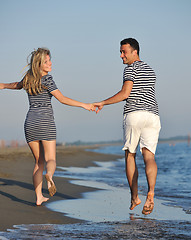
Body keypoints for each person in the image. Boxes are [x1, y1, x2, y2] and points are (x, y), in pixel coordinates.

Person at [0, 48, 95, 206]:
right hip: (45, 122)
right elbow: (62, 99)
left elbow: (17, 85)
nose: (50, 63)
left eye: (50, 60)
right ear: (39, 64)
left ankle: (38, 197)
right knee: (50, 159)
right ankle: (49, 176)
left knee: (38, 162)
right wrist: (85, 105)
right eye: (46, 61)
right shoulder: (47, 79)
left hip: (30, 123)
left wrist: (2, 85)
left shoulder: (29, 78)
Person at [94, 38, 161, 215]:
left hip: (135, 114)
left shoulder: (130, 69)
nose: (121, 56)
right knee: (149, 156)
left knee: (130, 155)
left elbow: (125, 94)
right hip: (153, 116)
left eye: (124, 52)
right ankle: (151, 193)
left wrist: (103, 102)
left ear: (135, 52)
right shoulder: (150, 69)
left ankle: (134, 197)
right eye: (120, 52)